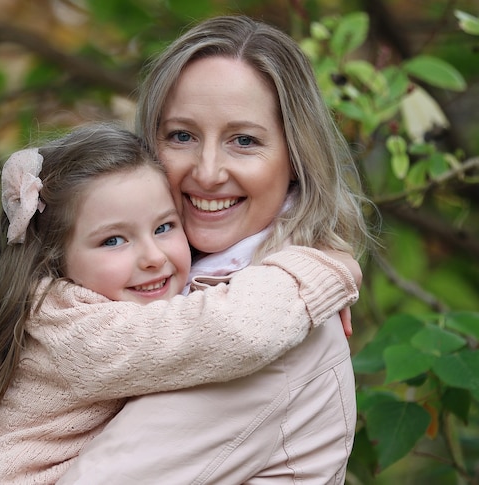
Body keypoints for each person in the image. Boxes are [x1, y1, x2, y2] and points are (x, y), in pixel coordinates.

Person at [0, 123, 360, 483]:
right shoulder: (70, 327)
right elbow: (230, 332)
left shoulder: (65, 310)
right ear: (54, 259)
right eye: (113, 240)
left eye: (165, 227)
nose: (152, 257)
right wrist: (321, 268)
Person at [58, 15, 374, 484]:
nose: (207, 173)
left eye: (243, 141)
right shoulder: (163, 281)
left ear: (295, 160)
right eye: (181, 136)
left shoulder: (272, 327)